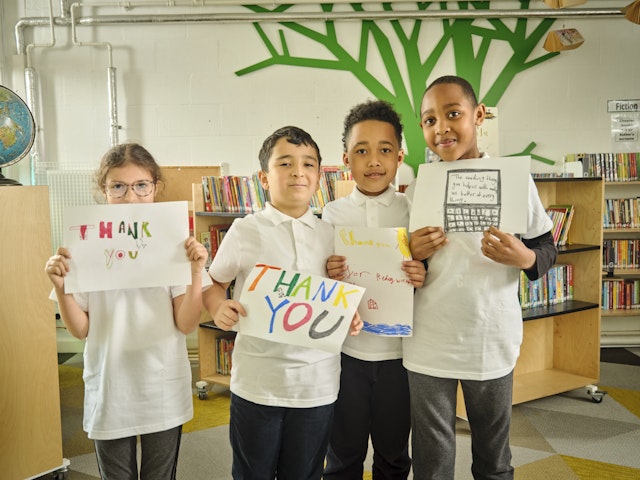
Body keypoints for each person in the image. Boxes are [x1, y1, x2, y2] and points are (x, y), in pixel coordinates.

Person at [404, 75, 557, 480]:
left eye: (453, 114)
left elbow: (546, 249)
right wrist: (412, 253)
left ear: (479, 115)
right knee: (431, 456)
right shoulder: (418, 187)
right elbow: (403, 269)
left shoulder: (512, 179)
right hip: (427, 338)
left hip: (489, 335)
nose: (442, 128)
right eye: (429, 120)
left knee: (493, 454)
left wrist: (523, 256)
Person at [44, 143, 212, 480]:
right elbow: (81, 330)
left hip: (160, 386)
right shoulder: (85, 246)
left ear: (154, 187)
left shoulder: (173, 242)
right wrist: (62, 289)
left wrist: (195, 272)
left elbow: (186, 322)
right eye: (118, 186)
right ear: (103, 190)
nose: (130, 197)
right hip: (110, 387)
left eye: (141, 186)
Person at [204, 125, 363, 480]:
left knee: (305, 473)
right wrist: (217, 306)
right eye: (285, 164)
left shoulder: (331, 235)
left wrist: (347, 317)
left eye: (308, 164)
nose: (298, 172)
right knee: (252, 473)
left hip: (317, 385)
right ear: (264, 177)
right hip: (258, 382)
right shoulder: (245, 231)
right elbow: (214, 282)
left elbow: (338, 297)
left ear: (320, 175)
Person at [321, 100, 426, 480]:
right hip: (346, 354)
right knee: (342, 457)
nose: (373, 161)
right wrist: (327, 272)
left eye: (384, 150)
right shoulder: (332, 214)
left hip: (400, 356)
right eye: (361, 151)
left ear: (399, 156)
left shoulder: (413, 210)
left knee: (394, 457)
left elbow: (430, 267)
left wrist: (421, 271)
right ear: (345, 158)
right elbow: (321, 283)